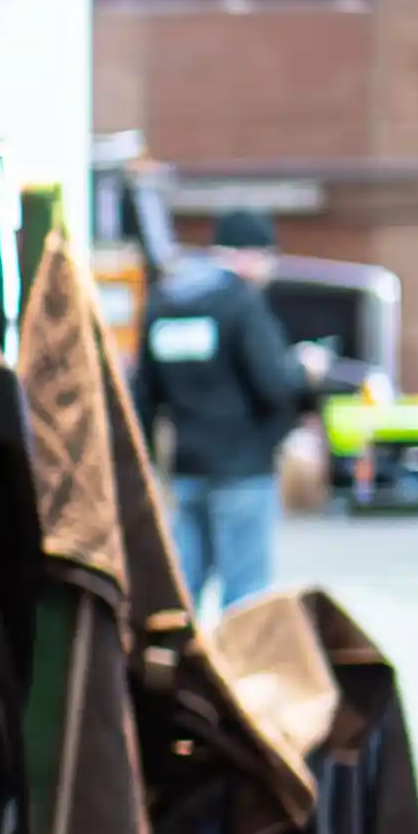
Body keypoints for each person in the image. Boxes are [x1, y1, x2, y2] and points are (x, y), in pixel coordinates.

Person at [138, 207, 312, 614]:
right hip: (243, 470)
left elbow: (144, 392)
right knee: (245, 596)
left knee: (182, 591)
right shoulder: (241, 304)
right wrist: (304, 374)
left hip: (186, 470)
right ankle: (237, 659)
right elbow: (274, 385)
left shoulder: (164, 302)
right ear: (249, 255)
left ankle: (174, 654)